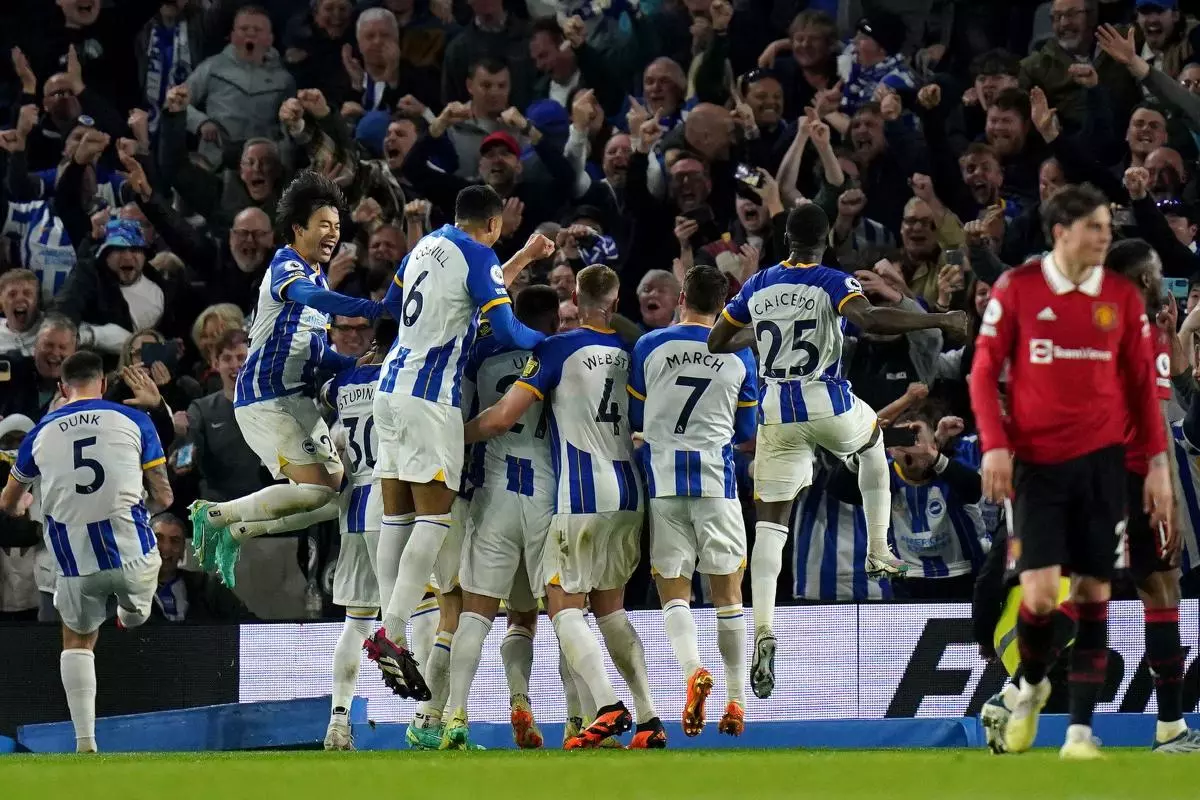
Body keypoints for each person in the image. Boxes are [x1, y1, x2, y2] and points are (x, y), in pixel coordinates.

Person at [706, 204, 969, 700]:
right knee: (874, 441)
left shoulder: (758, 284)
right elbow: (870, 320)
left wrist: (765, 329)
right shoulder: (831, 280)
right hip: (824, 399)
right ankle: (879, 551)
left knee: (770, 526)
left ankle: (763, 628)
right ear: (826, 239)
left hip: (776, 411)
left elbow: (719, 341)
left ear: (786, 238)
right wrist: (939, 316)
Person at [970, 184, 1172, 760]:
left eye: (1108, 227)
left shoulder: (1121, 300)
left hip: (1104, 466)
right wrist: (994, 445)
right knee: (1038, 597)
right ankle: (1029, 685)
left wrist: (1157, 466)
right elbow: (983, 371)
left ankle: (1079, 735)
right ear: (1062, 232)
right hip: (1037, 466)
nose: (1105, 236)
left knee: (1091, 592)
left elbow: (1143, 392)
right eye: (1095, 228)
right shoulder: (1019, 288)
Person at [464, 264, 664, 750]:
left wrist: (452, 437)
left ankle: (607, 705)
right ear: (617, 303)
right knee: (611, 612)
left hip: (580, 495)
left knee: (563, 607)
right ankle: (649, 718)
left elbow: (502, 417)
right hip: (630, 492)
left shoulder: (557, 348)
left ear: (575, 297)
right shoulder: (632, 351)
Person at [366, 184, 552, 701]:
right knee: (433, 520)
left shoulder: (425, 246)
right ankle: (393, 632)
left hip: (390, 389)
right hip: (430, 399)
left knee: (397, 518)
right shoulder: (480, 255)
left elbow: (398, 303)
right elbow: (508, 329)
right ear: (492, 224)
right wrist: (552, 345)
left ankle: (388, 623)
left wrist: (523, 257)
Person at [188, 171, 381, 588]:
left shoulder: (318, 276)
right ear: (298, 228)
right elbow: (312, 298)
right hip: (266, 399)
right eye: (323, 225)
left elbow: (315, 352)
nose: (333, 234)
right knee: (318, 492)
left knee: (336, 496)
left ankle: (239, 531)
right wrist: (370, 308)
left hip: (297, 401)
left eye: (337, 226)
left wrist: (355, 365)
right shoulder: (285, 265)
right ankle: (215, 515)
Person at [0, 350, 173, 753]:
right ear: (104, 383)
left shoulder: (39, 433)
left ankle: (85, 743)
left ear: (62, 388)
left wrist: (25, 505)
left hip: (75, 564)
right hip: (133, 554)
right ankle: (132, 613)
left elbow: (8, 502)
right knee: (136, 612)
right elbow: (165, 496)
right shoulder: (135, 420)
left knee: (77, 641)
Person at [627, 263, 758, 738]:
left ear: (682, 297)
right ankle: (736, 699)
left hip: (664, 484)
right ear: (723, 307)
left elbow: (636, 417)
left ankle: (692, 670)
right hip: (716, 485)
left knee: (673, 592)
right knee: (728, 595)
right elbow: (747, 431)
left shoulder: (649, 345)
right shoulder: (740, 354)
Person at [438, 285, 560, 750]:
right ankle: (566, 715)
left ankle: (456, 715)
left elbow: (463, 412)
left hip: (493, 493)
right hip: (546, 494)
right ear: (552, 321)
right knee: (552, 614)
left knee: (477, 612)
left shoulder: (479, 357)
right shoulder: (556, 354)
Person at [1103, 238, 1200, 751]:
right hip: (1135, 478)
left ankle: (1171, 726)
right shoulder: (1142, 334)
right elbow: (1155, 421)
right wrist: (1169, 498)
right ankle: (1170, 726)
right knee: (1160, 592)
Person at [319, 318, 395, 751]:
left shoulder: (340, 385)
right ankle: (431, 719)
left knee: (357, 621)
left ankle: (338, 721)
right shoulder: (403, 374)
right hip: (393, 505)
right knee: (424, 608)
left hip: (352, 507)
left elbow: (329, 412)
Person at [149, 513, 252, 624]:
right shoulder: (133, 590)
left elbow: (249, 624)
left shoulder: (208, 586)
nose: (166, 547)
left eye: (175, 541)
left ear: (183, 550)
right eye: (158, 538)